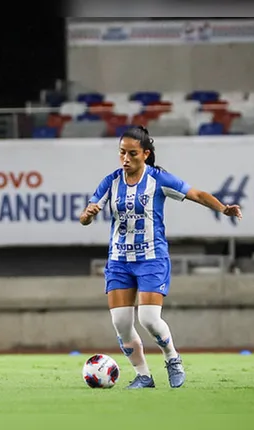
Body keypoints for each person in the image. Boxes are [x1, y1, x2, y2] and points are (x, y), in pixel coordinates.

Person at [79, 126, 242, 389]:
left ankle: (172, 358)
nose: (126, 159)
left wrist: (223, 208)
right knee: (121, 323)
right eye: (122, 153)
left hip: (151, 258)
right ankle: (143, 375)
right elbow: (85, 217)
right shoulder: (110, 181)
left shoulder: (158, 180)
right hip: (119, 260)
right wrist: (88, 214)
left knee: (149, 319)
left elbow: (197, 194)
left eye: (132, 153)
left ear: (145, 154)